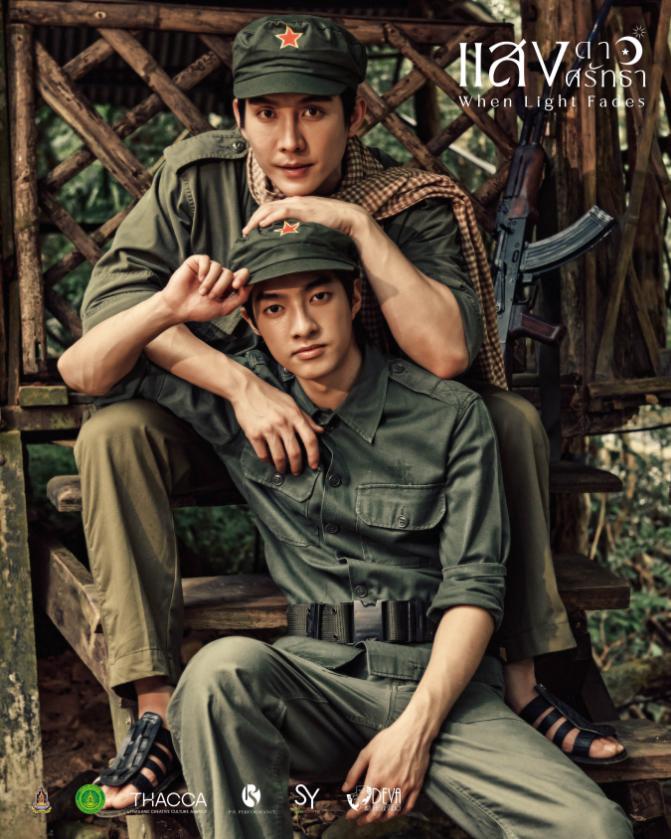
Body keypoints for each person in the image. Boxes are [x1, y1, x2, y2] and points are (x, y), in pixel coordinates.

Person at [58, 13, 624, 811]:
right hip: (221, 424)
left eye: (313, 111)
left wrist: (357, 225)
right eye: (266, 113)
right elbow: (108, 319)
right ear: (239, 115)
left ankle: (526, 680)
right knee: (113, 433)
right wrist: (240, 386)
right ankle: (155, 707)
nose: (289, 140)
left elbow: (445, 355)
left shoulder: (401, 198)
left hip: (368, 438)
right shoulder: (198, 179)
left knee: (507, 419)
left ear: (354, 114)